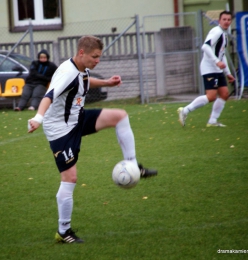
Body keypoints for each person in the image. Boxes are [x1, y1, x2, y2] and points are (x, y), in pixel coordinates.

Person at [28, 35, 157, 244]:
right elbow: (48, 95)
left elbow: (84, 80)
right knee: (70, 179)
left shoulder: (80, 68)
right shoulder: (67, 73)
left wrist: (107, 82)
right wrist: (37, 118)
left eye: (99, 57)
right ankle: (63, 231)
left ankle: (133, 165)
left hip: (77, 117)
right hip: (61, 130)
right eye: (95, 57)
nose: (98, 60)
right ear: (82, 53)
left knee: (120, 116)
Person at [177, 11, 235, 127]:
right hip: (209, 68)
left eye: (229, 20)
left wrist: (228, 73)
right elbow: (205, 46)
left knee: (224, 94)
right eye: (224, 19)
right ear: (219, 21)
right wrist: (216, 61)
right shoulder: (216, 31)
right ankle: (185, 110)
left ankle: (212, 121)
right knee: (211, 96)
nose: (226, 22)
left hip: (217, 69)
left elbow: (221, 55)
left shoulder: (224, 35)